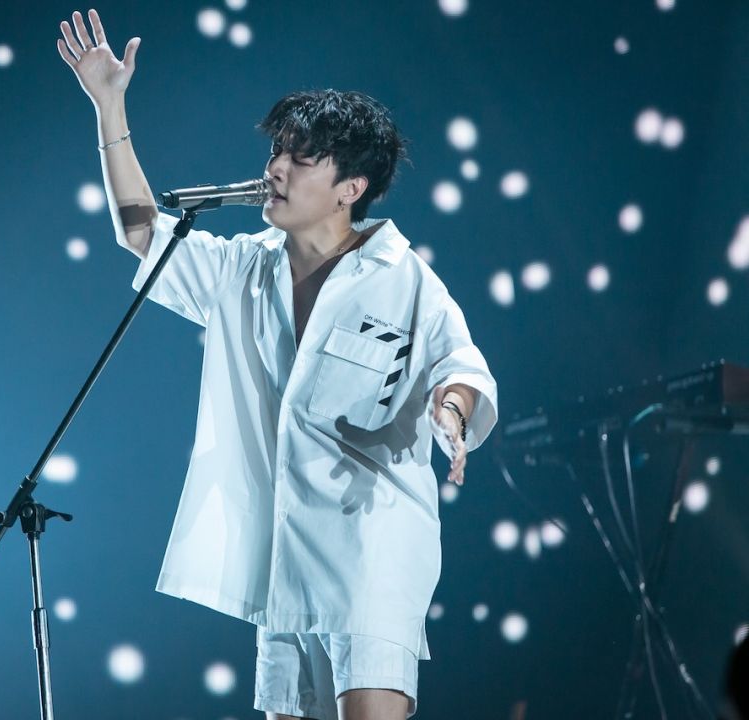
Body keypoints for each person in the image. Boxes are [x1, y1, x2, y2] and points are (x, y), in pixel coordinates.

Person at [57, 10, 498, 720]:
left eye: (301, 158)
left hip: (371, 546)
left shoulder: (402, 275)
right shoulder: (244, 269)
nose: (275, 169)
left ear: (351, 187)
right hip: (284, 556)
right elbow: (143, 233)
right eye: (277, 152)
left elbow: (462, 364)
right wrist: (110, 105)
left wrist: (450, 411)